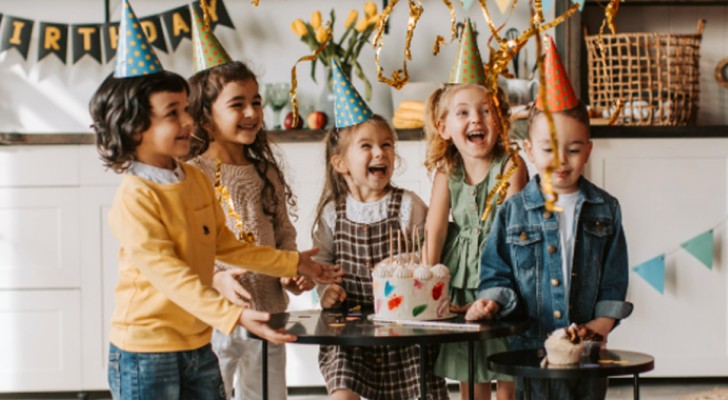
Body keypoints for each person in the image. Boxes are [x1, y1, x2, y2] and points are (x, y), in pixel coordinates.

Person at [91, 3, 341, 399]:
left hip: (195, 339)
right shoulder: (136, 197)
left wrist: (292, 261)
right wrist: (233, 313)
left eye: (186, 109)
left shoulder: (191, 179)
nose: (187, 121)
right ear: (134, 126)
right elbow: (170, 274)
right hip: (147, 348)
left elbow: (225, 244)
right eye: (173, 112)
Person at [465, 36, 633, 400]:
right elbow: (496, 272)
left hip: (586, 349)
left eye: (573, 149)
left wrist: (601, 324)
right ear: (528, 150)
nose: (561, 160)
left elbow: (614, 278)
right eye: (548, 150)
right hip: (531, 350)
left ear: (588, 148)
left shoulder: (606, 209)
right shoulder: (512, 211)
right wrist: (492, 300)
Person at [185, 10, 313, 400]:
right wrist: (214, 279)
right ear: (205, 118)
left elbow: (284, 235)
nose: (252, 112)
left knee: (268, 394)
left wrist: (291, 272)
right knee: (213, 391)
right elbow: (186, 248)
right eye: (237, 104)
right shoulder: (192, 175)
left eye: (255, 102)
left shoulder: (264, 173)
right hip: (216, 312)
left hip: (269, 309)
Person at [312, 61, 449, 400]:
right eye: (367, 146)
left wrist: (407, 262)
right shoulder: (332, 214)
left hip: (404, 326)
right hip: (350, 332)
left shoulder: (408, 204)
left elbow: (428, 257)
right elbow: (321, 267)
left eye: (387, 145)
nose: (380, 152)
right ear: (341, 163)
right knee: (342, 391)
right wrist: (324, 290)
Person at [424, 20, 527, 400]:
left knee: (506, 365)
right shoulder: (446, 172)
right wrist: (429, 282)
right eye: (463, 113)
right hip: (459, 277)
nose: (476, 120)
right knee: (469, 366)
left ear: (500, 119)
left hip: (501, 276)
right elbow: (434, 230)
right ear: (444, 126)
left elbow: (516, 229)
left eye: (486, 110)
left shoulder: (511, 166)